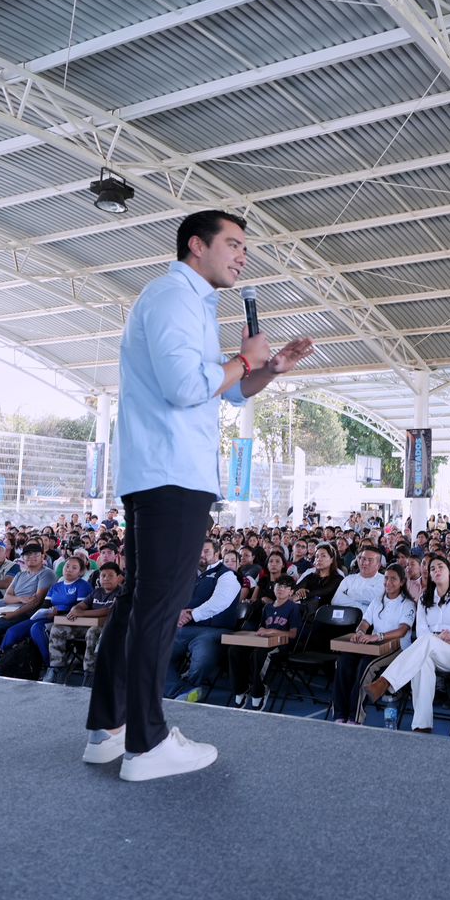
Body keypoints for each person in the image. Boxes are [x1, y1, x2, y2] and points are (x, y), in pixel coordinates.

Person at [83, 210, 315, 783]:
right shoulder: (173, 298)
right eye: (233, 244)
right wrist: (243, 360)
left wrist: (269, 369)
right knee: (158, 608)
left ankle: (109, 729)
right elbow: (187, 387)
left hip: (164, 471)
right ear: (196, 246)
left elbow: (227, 393)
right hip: (172, 473)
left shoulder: (192, 304)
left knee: (139, 602)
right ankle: (147, 743)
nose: (242, 255)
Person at [363, 555, 450, 733]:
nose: (436, 571)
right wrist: (437, 638)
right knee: (422, 663)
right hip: (430, 647)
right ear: (429, 575)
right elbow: (423, 631)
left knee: (425, 645)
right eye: (432, 569)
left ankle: (385, 681)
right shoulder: (425, 596)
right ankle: (421, 726)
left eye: (440, 567)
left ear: (449, 570)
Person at [330, 565, 412, 721]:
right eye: (386, 578)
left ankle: (355, 717)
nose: (388, 582)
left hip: (397, 648)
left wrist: (378, 636)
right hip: (374, 647)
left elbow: (402, 631)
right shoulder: (377, 601)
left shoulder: (407, 604)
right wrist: (360, 631)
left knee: (366, 667)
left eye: (393, 578)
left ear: (402, 582)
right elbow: (365, 621)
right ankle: (340, 714)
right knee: (344, 661)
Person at [166, 543, 241, 701]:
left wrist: (191, 614)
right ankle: (181, 690)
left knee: (202, 661)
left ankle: (182, 689)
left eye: (206, 551)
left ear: (216, 553)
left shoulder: (226, 575)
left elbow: (220, 602)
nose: (201, 554)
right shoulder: (188, 575)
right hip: (184, 629)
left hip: (214, 630)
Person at [0, 544, 54, 672]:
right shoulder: (20, 575)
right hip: (7, 608)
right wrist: (20, 599)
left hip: (26, 613)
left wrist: (15, 612)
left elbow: (36, 602)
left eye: (35, 554)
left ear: (42, 557)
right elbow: (7, 597)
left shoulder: (46, 574)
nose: (31, 557)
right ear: (23, 557)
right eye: (27, 554)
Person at [228, 575, 305, 710]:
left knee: (260, 654)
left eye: (285, 587)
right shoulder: (268, 607)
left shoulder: (293, 607)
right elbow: (262, 628)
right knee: (235, 650)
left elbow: (293, 634)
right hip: (264, 642)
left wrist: (272, 631)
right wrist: (262, 630)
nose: (281, 589)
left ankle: (260, 691)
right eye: (278, 586)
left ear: (291, 592)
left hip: (282, 645)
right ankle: (241, 688)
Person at [47, 563, 122, 679]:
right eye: (103, 575)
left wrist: (82, 613)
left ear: (118, 578)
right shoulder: (96, 592)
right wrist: (75, 610)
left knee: (93, 632)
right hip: (89, 624)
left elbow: (108, 611)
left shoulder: (121, 592)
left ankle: (90, 673)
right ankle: (57, 669)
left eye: (110, 576)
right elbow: (81, 605)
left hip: (109, 627)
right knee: (57, 629)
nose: (106, 578)